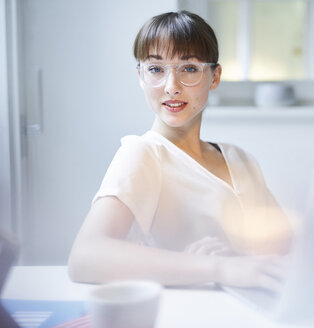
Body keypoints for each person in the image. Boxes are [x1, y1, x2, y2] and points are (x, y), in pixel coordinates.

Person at [68, 11, 292, 292]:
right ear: (141, 76)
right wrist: (218, 267)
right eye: (156, 69)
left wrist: (242, 259)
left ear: (214, 76)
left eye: (188, 68)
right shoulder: (143, 153)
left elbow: (285, 251)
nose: (171, 87)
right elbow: (86, 256)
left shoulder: (241, 158)